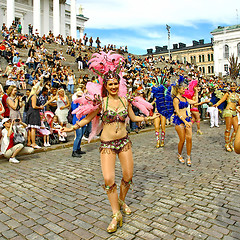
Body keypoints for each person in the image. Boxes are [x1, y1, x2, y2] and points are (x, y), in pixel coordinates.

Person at [61, 51, 157, 233]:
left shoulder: (125, 100)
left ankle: (120, 200)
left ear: (118, 85)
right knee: (108, 179)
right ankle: (115, 214)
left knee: (128, 177)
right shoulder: (100, 103)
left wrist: (149, 118)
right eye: (110, 84)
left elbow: (134, 118)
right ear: (105, 85)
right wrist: (72, 128)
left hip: (124, 142)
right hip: (107, 145)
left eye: (115, 84)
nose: (113, 86)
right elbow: (86, 120)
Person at [171, 77, 197, 167]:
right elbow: (177, 112)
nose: (184, 90)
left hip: (187, 119)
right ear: (178, 90)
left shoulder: (185, 99)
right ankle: (179, 154)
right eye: (183, 89)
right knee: (182, 140)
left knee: (189, 138)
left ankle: (188, 157)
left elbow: (195, 101)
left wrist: (196, 91)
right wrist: (184, 121)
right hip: (179, 121)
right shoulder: (176, 99)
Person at [213, 82, 240, 152]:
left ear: (236, 87)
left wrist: (238, 107)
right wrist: (216, 104)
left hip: (234, 112)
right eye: (231, 86)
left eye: (234, 86)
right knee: (228, 129)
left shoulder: (238, 95)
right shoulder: (228, 94)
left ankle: (231, 143)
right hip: (228, 111)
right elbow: (222, 100)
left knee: (236, 129)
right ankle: (226, 144)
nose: (233, 87)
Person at [26, 82, 44, 149]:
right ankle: (33, 143)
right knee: (33, 128)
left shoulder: (31, 96)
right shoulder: (34, 96)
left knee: (31, 128)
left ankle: (30, 142)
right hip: (33, 112)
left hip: (31, 112)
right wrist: (40, 107)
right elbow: (34, 106)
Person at [71, 89, 86, 157]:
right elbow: (75, 111)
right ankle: (74, 151)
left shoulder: (84, 102)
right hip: (77, 120)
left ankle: (78, 149)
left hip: (83, 119)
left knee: (81, 136)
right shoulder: (74, 102)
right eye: (78, 96)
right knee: (78, 136)